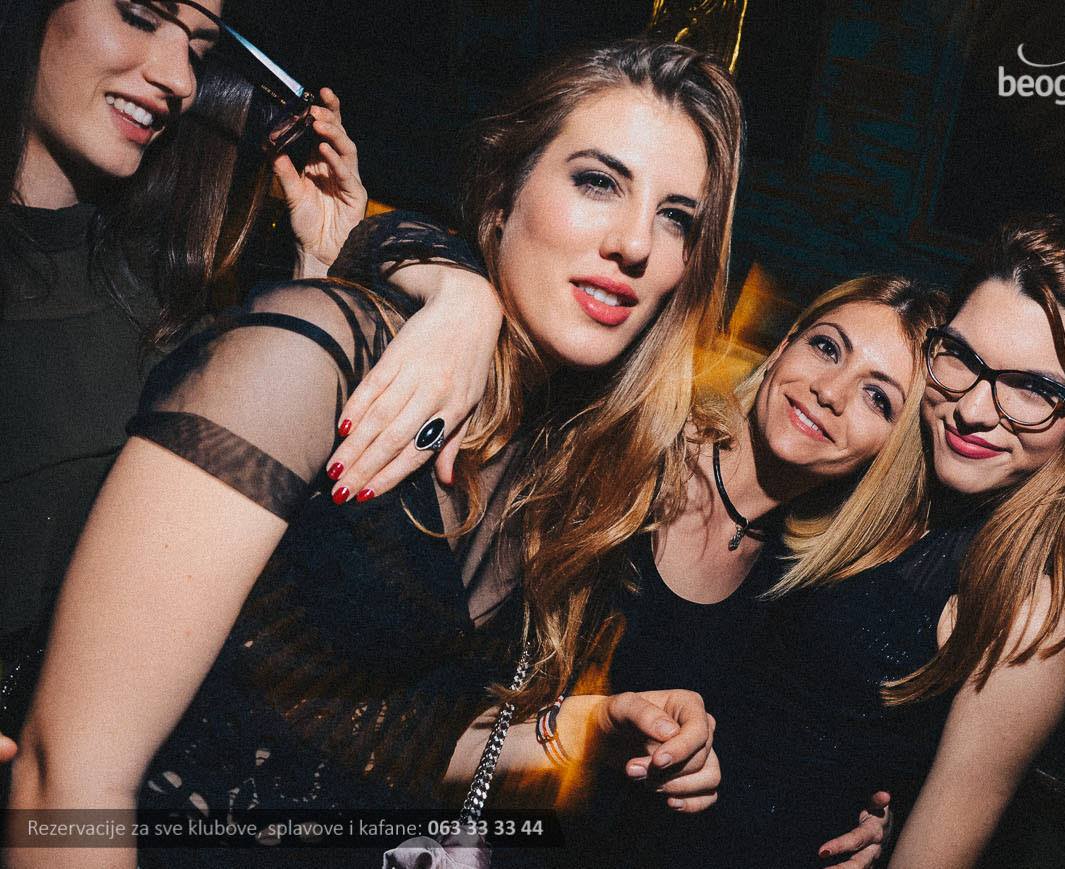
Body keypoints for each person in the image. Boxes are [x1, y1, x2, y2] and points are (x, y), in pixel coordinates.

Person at [7, 37, 744, 869]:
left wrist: (589, 728)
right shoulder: (307, 359)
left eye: (675, 217)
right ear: (503, 194)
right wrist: (449, 282)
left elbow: (384, 733)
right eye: (599, 182)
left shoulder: (554, 465)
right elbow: (68, 780)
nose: (636, 243)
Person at [0, 0, 496, 744]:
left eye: (199, 51)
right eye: (139, 16)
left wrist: (337, 277)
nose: (177, 79)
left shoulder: (167, 301)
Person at [667, 214, 1065, 868]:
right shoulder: (876, 456)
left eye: (1035, 388)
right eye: (964, 357)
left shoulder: (1028, 614)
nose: (973, 410)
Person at [536, 274, 944, 868]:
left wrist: (876, 826)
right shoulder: (634, 442)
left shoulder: (805, 596)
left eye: (877, 398)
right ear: (784, 347)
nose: (830, 391)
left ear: (889, 453)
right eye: (827, 347)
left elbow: (785, 771)